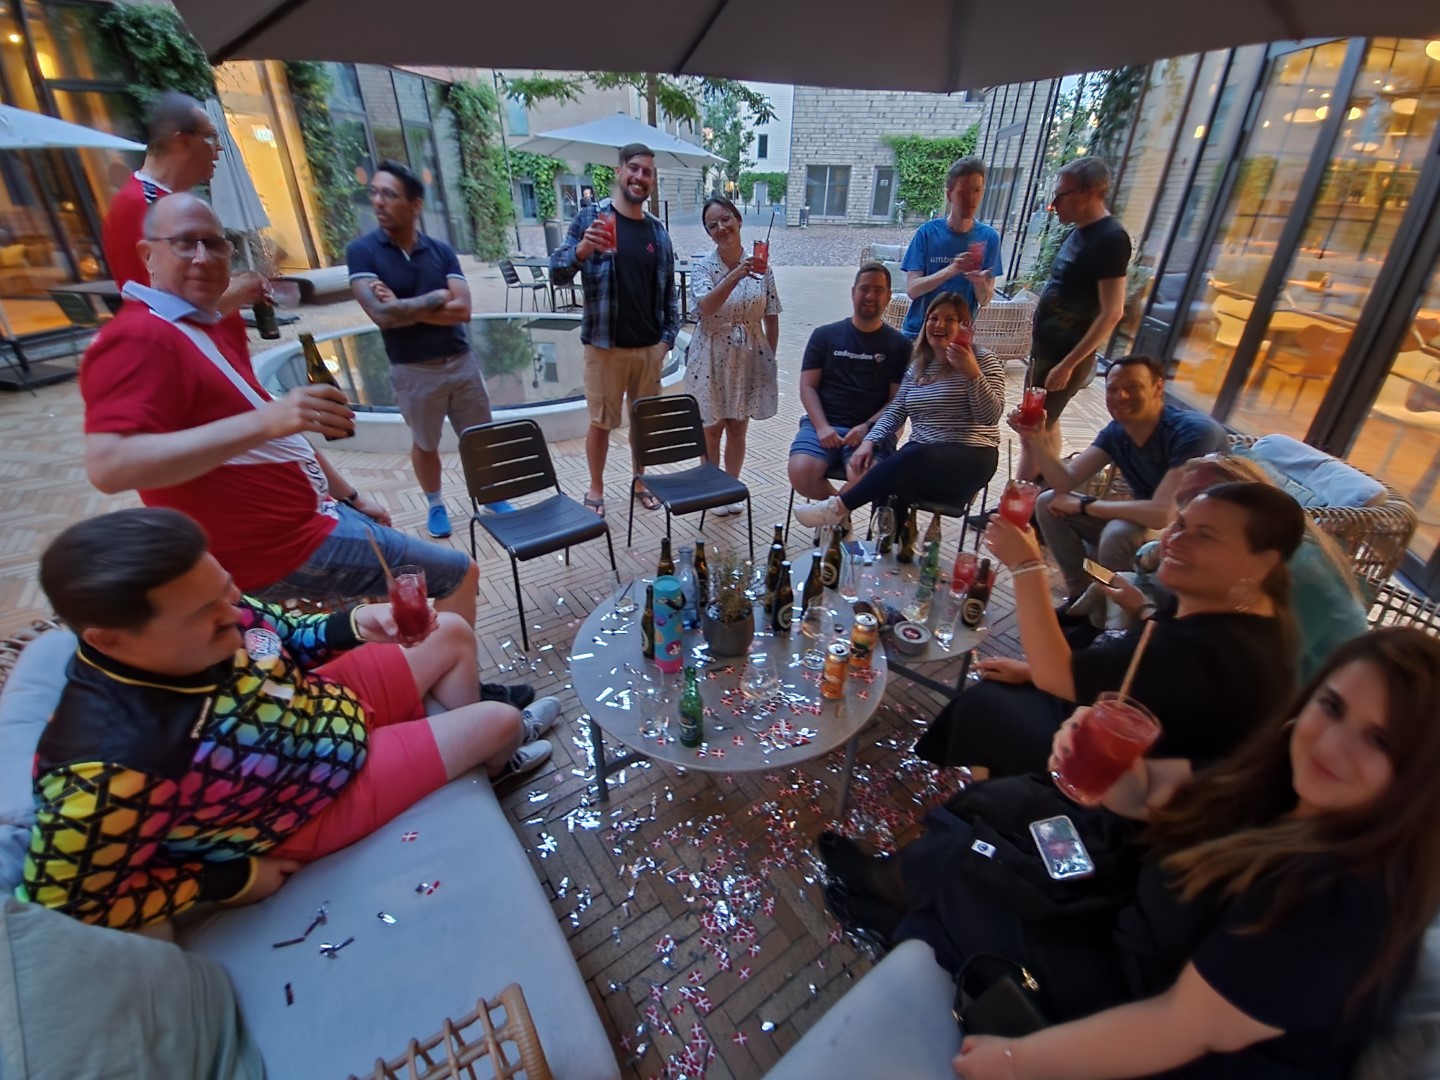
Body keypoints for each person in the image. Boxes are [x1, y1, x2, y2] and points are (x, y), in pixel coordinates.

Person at [826, 628, 1440, 1080]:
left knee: (976, 867)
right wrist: (1087, 747)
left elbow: (1176, 1026)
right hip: (1132, 924)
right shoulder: (1281, 779)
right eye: (1331, 706)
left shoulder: (1339, 902)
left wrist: (1017, 1059)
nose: (1332, 743)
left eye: (1378, 740)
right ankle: (896, 906)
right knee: (997, 824)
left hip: (1140, 1017)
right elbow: (1151, 795)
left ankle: (894, 901)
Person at [79, 194, 531, 708]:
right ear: (147, 253)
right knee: (458, 573)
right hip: (281, 546)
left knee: (395, 594)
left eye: (215, 244)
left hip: (318, 515)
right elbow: (110, 465)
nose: (203, 257)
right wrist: (268, 420)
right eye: (185, 244)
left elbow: (279, 437)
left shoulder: (201, 326)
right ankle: (458, 693)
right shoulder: (140, 338)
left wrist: (351, 494)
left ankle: (438, 683)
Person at [16, 509, 563, 931]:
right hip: (312, 798)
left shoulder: (213, 607)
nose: (233, 614)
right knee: (499, 720)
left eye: (226, 591)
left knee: (452, 631)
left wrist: (354, 624)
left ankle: (474, 757)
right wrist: (229, 878)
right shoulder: (110, 767)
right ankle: (499, 756)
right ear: (110, 641)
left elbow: (276, 635)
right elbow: (65, 901)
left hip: (320, 706)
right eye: (207, 619)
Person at [915, 482, 1304, 778]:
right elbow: (1154, 681)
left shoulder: (1208, 651)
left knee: (985, 703)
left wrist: (1027, 566)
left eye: (1205, 535)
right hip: (1130, 740)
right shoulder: (1249, 612)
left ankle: (1000, 817)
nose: (1175, 540)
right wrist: (1142, 608)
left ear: (1262, 563)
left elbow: (1063, 677)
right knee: (1007, 686)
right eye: (1181, 524)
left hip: (1126, 790)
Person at [1075, 453, 1370, 679]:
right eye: (1184, 509)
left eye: (1205, 507)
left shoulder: (1298, 570)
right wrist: (1153, 557)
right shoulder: (1247, 545)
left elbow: (1250, 671)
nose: (1189, 512)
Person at [347, 160, 511, 538]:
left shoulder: (440, 251)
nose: (379, 202)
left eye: (389, 194)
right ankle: (436, 504)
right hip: (413, 369)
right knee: (425, 444)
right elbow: (380, 315)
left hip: (461, 361)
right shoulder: (363, 252)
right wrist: (436, 298)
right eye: (375, 193)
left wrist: (403, 304)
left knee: (479, 438)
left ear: (415, 204)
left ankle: (490, 494)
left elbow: (464, 309)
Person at [1022, 354, 1227, 601]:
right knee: (1047, 502)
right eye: (1113, 389)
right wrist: (1037, 438)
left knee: (1117, 534)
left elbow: (1162, 514)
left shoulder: (1192, 433)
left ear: (1157, 388)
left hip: (1198, 536)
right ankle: (1081, 594)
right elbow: (1065, 480)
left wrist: (1085, 506)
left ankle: (1113, 614)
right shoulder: (1117, 432)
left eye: (1133, 387)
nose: (1121, 396)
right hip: (1151, 520)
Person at [793, 294, 1004, 532]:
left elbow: (990, 416)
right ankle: (886, 557)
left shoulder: (984, 360)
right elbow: (896, 410)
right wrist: (869, 442)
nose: (939, 325)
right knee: (889, 487)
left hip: (971, 456)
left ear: (965, 325)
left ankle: (837, 508)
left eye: (950, 319)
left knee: (913, 456)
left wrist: (972, 373)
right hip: (920, 460)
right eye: (933, 318)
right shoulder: (919, 365)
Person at [550, 144, 679, 518]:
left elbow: (669, 293)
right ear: (620, 171)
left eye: (648, 173)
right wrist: (581, 251)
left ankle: (640, 480)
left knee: (643, 424)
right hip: (604, 346)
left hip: (648, 349)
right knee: (601, 422)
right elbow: (557, 273)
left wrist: (666, 341)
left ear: (653, 181)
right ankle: (596, 488)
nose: (640, 177)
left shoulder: (658, 231)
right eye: (634, 169)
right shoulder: (591, 218)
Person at [101, 90, 266, 315]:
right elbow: (165, 310)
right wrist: (242, 289)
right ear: (182, 141)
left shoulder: (158, 200)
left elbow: (183, 290)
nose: (219, 148)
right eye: (210, 138)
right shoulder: (141, 205)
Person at [1018, 157, 1132, 484]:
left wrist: (1068, 364)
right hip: (1047, 353)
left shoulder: (1111, 238)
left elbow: (1113, 311)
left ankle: (1016, 506)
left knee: (1031, 429)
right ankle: (1045, 493)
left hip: (1062, 358)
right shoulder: (1079, 232)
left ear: (1090, 191)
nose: (1054, 205)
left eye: (1061, 195)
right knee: (1045, 426)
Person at [684, 195, 782, 514]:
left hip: (747, 356)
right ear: (709, 233)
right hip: (710, 354)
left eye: (726, 219)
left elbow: (771, 314)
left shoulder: (762, 267)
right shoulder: (704, 266)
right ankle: (713, 492)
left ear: (738, 219)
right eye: (712, 225)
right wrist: (737, 273)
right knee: (711, 428)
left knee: (739, 427)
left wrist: (768, 357)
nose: (721, 228)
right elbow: (706, 306)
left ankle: (730, 488)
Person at [787, 262, 911, 501]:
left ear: (888, 297)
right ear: (853, 292)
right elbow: (807, 386)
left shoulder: (900, 345)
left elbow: (897, 402)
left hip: (872, 431)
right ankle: (839, 519)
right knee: (800, 472)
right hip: (823, 426)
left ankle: (831, 517)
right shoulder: (824, 336)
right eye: (864, 288)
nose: (870, 295)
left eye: (878, 290)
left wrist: (867, 428)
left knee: (867, 477)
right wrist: (822, 427)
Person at [899, 156, 1002, 340]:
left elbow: (985, 300)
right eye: (963, 192)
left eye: (977, 190)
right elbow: (913, 290)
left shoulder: (989, 238)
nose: (971, 199)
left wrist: (978, 282)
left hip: (958, 336)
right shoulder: (928, 233)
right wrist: (953, 269)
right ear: (949, 195)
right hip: (918, 334)